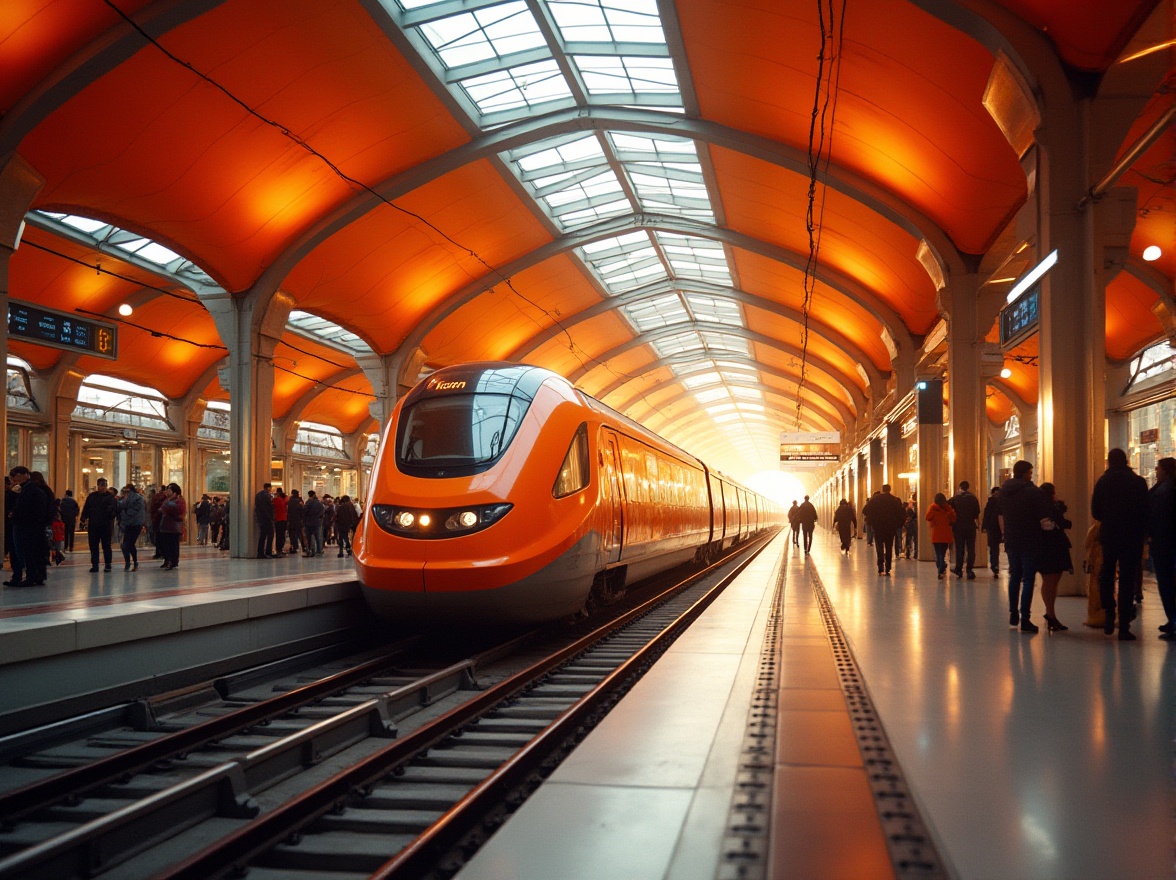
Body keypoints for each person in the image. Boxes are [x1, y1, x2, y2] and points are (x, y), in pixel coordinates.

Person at [1091, 447, 1150, 640]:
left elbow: (1096, 512)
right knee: (1127, 579)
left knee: (1107, 573)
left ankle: (1109, 612)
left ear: (1109, 461)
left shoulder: (1103, 482)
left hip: (1110, 535)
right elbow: (1145, 511)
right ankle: (1124, 625)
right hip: (1132, 536)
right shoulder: (1138, 482)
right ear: (1126, 461)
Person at [998, 460, 1053, 633]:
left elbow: (1002, 514)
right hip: (1030, 539)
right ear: (1023, 473)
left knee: (1015, 576)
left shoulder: (1004, 492)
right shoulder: (1032, 492)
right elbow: (1044, 518)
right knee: (1028, 579)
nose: (1031, 475)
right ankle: (1025, 618)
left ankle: (1013, 614)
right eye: (1030, 472)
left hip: (1012, 539)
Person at [1037, 482, 1073, 632]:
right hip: (1054, 546)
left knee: (1050, 580)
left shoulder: (1041, 506)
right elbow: (1060, 523)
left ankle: (1050, 613)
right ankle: (1050, 613)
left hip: (1048, 547)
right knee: (1052, 580)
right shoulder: (1049, 507)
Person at [6, 466, 49, 587]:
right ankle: (32, 576)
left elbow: (30, 509)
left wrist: (16, 514)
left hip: (27, 526)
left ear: (25, 475)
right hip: (27, 525)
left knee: (27, 551)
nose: (16, 479)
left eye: (17, 475)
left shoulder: (31, 490)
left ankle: (31, 576)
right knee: (26, 551)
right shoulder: (27, 489)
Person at [1148, 457, 1176, 640]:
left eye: (1157, 469)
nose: (1155, 472)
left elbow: (1156, 517)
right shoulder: (1165, 489)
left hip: (1164, 543)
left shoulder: (1163, 492)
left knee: (1166, 583)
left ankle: (1173, 620)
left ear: (1165, 471)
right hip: (1168, 542)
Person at [863, 484, 905, 575]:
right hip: (890, 527)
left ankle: (880, 566)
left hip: (878, 527)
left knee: (879, 546)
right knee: (889, 546)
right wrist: (898, 524)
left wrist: (873, 517)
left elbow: (865, 510)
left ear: (882, 490)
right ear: (890, 490)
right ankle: (888, 567)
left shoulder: (875, 499)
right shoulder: (895, 500)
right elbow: (901, 513)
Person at [80, 477, 119, 573]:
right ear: (98, 486)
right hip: (94, 524)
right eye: (101, 485)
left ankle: (108, 564)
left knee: (106, 545)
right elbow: (86, 508)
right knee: (93, 545)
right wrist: (83, 519)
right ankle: (95, 564)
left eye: (105, 485)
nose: (103, 487)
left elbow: (114, 510)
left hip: (106, 525)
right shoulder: (92, 496)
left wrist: (110, 515)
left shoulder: (110, 497)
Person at [948, 480, 981, 579]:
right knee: (971, 548)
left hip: (958, 527)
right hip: (970, 526)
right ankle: (969, 570)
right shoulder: (973, 498)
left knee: (960, 548)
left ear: (960, 487)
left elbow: (948, 507)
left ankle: (959, 569)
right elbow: (977, 513)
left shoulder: (955, 498)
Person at [926, 492, 956, 579]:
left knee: (938, 553)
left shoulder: (933, 508)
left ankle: (940, 567)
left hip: (936, 534)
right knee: (942, 553)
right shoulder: (948, 509)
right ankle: (941, 566)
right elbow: (953, 519)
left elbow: (927, 517)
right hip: (946, 534)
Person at [118, 484, 148, 571]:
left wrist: (123, 512)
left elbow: (131, 511)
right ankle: (130, 562)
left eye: (127, 491)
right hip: (128, 524)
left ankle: (132, 562)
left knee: (128, 544)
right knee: (127, 544)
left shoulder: (137, 498)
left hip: (134, 524)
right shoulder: (127, 499)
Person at [1082, 521, 1106, 629]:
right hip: (1106, 556)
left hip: (1096, 557)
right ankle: (1106, 614)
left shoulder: (1095, 527)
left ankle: (1095, 616)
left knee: (1095, 587)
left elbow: (1087, 542)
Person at [157, 483, 186, 570]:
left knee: (173, 545)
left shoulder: (179, 501)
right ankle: (167, 560)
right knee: (165, 545)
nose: (167, 492)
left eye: (169, 490)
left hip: (174, 527)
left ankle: (173, 562)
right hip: (165, 526)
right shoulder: (166, 500)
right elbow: (161, 509)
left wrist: (168, 507)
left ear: (175, 492)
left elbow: (180, 512)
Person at [981, 486, 1002, 577]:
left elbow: (986, 514)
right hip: (997, 528)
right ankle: (995, 565)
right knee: (995, 548)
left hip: (992, 528)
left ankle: (994, 566)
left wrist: (984, 526)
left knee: (994, 548)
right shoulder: (1002, 502)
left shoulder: (990, 502)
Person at [255, 482, 275, 559]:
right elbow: (269, 508)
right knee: (270, 535)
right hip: (267, 519)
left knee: (262, 536)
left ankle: (260, 552)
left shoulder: (257, 495)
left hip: (261, 519)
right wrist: (271, 518)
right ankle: (268, 552)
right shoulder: (267, 496)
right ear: (268, 488)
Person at [302, 490, 324, 556]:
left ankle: (310, 550)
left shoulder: (308, 503)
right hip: (317, 522)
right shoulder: (319, 503)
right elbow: (322, 512)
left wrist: (304, 521)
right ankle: (319, 550)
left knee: (308, 537)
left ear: (309, 495)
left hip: (308, 523)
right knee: (318, 537)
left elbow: (304, 512)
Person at [286, 490, 304, 554]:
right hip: (298, 520)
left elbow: (287, 511)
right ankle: (303, 547)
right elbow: (302, 510)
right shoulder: (299, 501)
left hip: (291, 521)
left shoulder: (289, 502)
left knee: (292, 535)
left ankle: (293, 547)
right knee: (300, 534)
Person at [273, 488, 289, 556]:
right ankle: (280, 549)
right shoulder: (284, 500)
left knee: (279, 536)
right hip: (283, 519)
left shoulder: (276, 500)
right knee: (282, 536)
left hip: (278, 520)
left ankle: (279, 550)